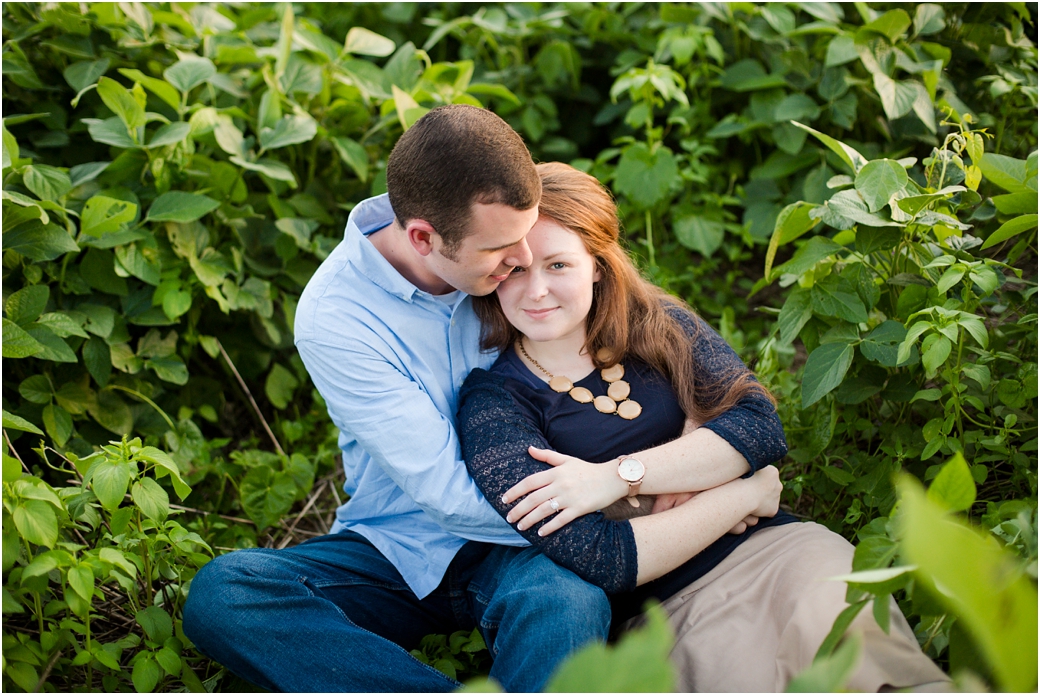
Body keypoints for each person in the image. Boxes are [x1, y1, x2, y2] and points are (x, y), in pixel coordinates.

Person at [457, 162, 952, 692]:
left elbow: (758, 426)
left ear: (597, 265)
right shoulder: (492, 403)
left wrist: (618, 479)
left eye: (558, 265)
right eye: (516, 269)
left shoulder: (658, 324)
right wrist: (743, 490)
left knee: (873, 663)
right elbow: (602, 558)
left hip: (778, 551)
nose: (536, 291)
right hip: (665, 608)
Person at [182, 106, 614, 693]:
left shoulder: (499, 238)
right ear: (423, 238)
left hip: (527, 548)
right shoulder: (336, 317)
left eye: (526, 236)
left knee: (570, 603)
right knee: (225, 594)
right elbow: (446, 493)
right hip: (401, 548)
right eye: (501, 251)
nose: (523, 261)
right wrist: (606, 526)